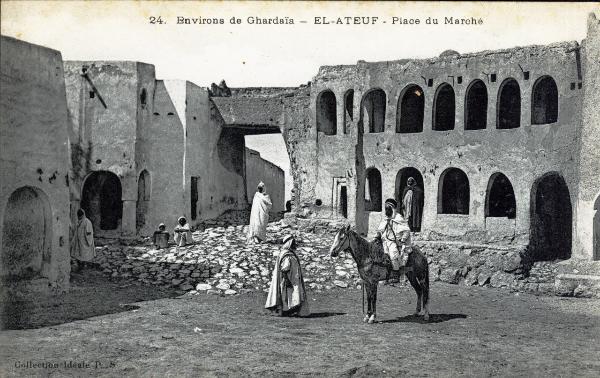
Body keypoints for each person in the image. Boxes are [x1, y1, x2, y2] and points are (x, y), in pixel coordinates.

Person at [265, 235, 310, 317]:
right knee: (288, 295)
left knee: (290, 295)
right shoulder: (287, 255)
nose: (295, 245)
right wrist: (287, 280)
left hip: (293, 278)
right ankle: (286, 310)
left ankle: (289, 310)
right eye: (293, 243)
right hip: (289, 279)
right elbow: (285, 268)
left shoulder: (288, 253)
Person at [376, 198, 412, 278]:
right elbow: (381, 229)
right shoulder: (385, 219)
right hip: (385, 241)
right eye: (386, 208)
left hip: (395, 242)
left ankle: (396, 275)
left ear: (392, 209)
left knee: (393, 256)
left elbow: (406, 230)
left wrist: (403, 239)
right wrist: (378, 234)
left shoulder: (398, 218)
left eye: (388, 208)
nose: (387, 210)